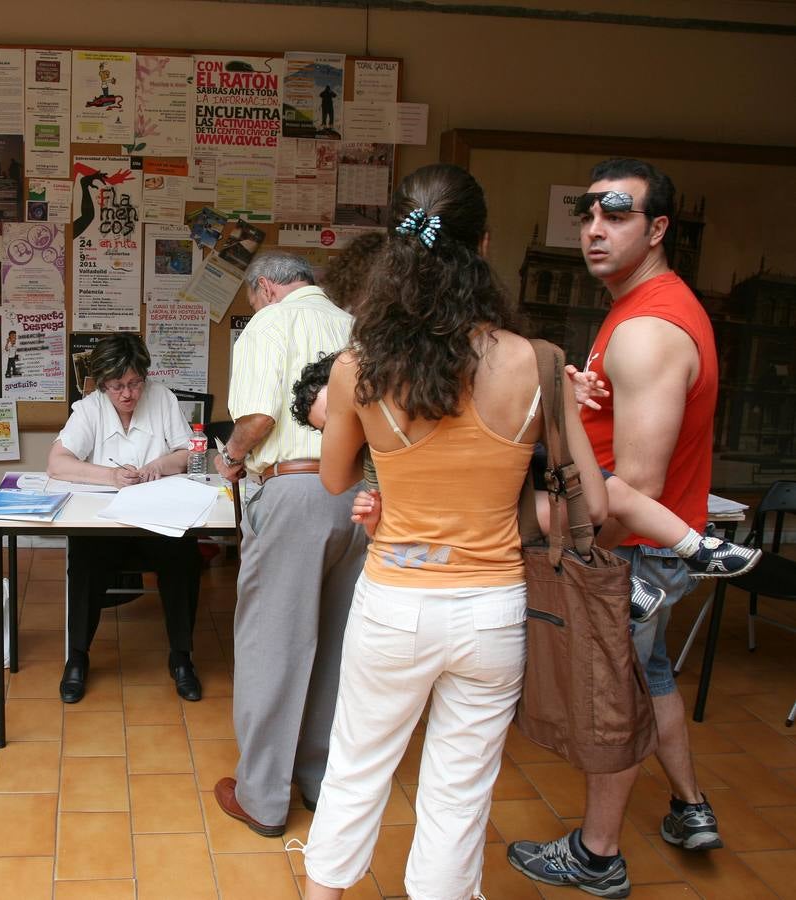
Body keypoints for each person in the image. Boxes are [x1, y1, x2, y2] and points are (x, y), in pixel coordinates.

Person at [298, 163, 608, 899]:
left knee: (357, 765)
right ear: (485, 244)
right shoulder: (539, 363)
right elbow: (591, 498)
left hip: (396, 600)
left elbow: (336, 480)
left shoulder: (358, 365)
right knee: (459, 793)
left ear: (396, 254)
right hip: (492, 611)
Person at [507, 158, 745, 896]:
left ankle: (598, 856)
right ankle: (689, 807)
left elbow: (635, 486)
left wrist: (552, 535)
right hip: (644, 551)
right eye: (587, 215)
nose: (595, 230)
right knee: (652, 677)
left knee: (610, 702)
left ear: (659, 228)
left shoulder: (647, 328)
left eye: (617, 215)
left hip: (629, 553)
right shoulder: (643, 308)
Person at [295, 354, 759, 622]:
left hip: (510, 475)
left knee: (608, 498)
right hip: (484, 522)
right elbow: (388, 526)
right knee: (567, 517)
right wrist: (376, 517)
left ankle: (695, 547)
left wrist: (559, 403)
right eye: (332, 428)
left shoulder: (404, 392)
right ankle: (621, 582)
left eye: (342, 418)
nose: (347, 433)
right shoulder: (369, 460)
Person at [211, 251, 369, 838]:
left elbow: (257, 419)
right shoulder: (355, 324)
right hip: (356, 496)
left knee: (273, 645)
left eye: (252, 298)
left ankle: (262, 798)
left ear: (266, 288)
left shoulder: (268, 324)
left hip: (294, 488)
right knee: (334, 646)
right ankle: (318, 778)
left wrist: (229, 458)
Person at [47, 333, 204, 703]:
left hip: (160, 522)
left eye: (134, 383)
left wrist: (159, 465)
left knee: (184, 557)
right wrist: (111, 476)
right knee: (84, 559)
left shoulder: (162, 398)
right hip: (105, 525)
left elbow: (187, 452)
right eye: (117, 386)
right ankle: (78, 658)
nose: (128, 394)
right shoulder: (89, 408)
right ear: (103, 384)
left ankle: (182, 657)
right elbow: (57, 463)